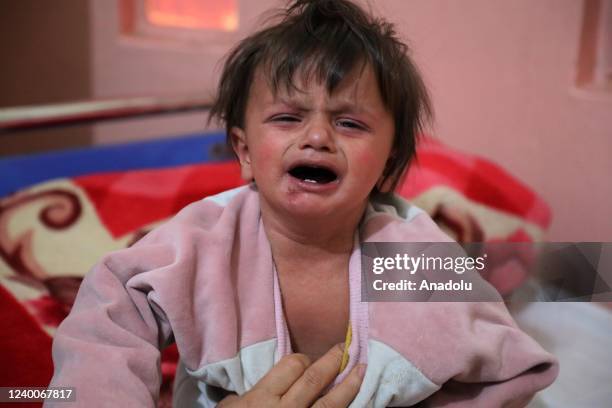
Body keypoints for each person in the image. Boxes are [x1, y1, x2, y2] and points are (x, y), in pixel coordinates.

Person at [47, 1, 558, 407]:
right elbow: (106, 327)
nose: (317, 137)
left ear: (386, 165)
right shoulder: (204, 244)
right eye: (288, 118)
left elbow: (512, 370)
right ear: (244, 151)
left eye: (350, 123)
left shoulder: (409, 257)